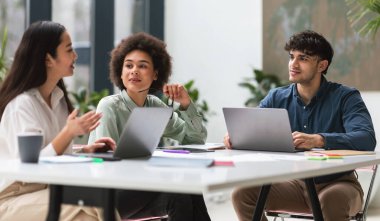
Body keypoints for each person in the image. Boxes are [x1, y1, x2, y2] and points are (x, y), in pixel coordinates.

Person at [224, 30, 376, 221]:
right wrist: (237, 137)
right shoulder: (276, 97)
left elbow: (366, 138)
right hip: (293, 185)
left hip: (337, 184)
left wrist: (319, 139)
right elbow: (253, 130)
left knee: (332, 200)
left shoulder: (346, 97)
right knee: (242, 194)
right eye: (291, 57)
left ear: (322, 65)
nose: (293, 64)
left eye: (303, 58)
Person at [0, 21, 116, 220]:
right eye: (69, 50)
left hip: (43, 191)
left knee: (95, 209)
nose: (75, 56)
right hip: (12, 198)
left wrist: (83, 151)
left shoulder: (58, 99)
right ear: (48, 59)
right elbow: (29, 167)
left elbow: (51, 155)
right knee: (97, 204)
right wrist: (68, 133)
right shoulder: (22, 106)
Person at [88, 32, 211, 220]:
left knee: (188, 187)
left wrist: (186, 104)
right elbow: (105, 163)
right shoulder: (109, 106)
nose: (134, 71)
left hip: (141, 187)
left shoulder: (154, 105)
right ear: (120, 72)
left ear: (155, 74)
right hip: (109, 194)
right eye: (128, 65)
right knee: (179, 192)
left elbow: (194, 139)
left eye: (142, 66)